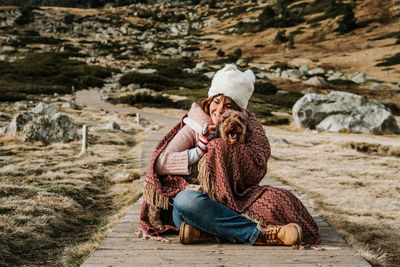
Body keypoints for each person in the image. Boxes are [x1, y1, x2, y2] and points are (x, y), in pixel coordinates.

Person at [140, 64, 320, 246]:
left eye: (228, 106)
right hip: (198, 202)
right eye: (216, 102)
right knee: (185, 201)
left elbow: (258, 166)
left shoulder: (250, 127)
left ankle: (207, 233)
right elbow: (160, 163)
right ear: (209, 101)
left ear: (239, 109)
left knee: (280, 199)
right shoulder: (195, 125)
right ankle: (260, 235)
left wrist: (232, 148)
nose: (219, 110)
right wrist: (200, 150)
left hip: (238, 196)